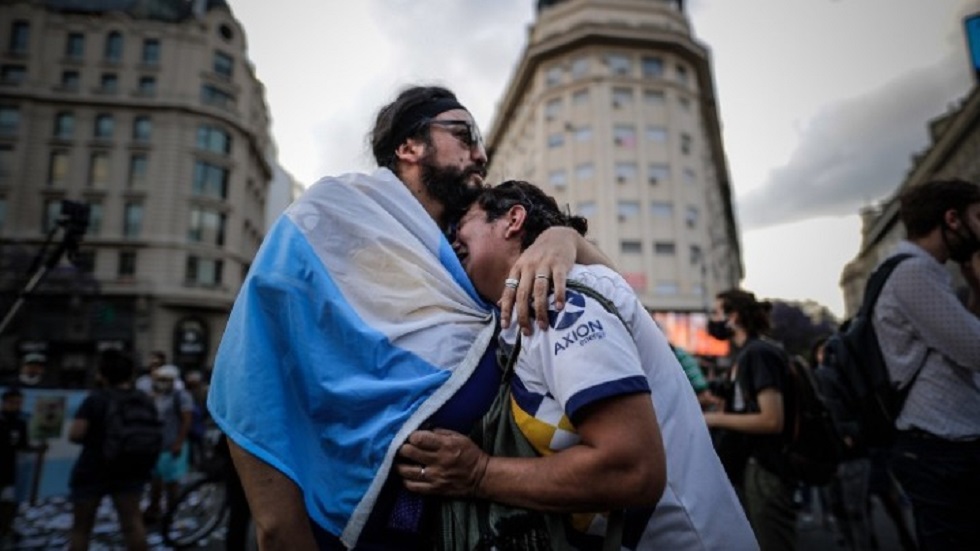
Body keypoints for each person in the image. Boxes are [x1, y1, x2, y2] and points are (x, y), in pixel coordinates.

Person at [208, 85, 608, 549]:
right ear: (409, 147)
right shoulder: (332, 219)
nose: (480, 155)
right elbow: (257, 355)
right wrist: (280, 527)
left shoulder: (463, 256)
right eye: (465, 135)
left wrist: (564, 239)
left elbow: (619, 304)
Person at [396, 180, 756, 549]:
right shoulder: (528, 307)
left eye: (461, 224)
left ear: (512, 220)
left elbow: (633, 471)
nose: (451, 240)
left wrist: (478, 474)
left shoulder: (556, 301)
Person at [874, 178, 980, 549]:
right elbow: (976, 351)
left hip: (943, 446)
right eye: (978, 217)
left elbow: (955, 345)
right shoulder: (913, 274)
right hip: (941, 450)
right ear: (952, 219)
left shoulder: (922, 272)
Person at [702, 289, 797, 551]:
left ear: (734, 317)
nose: (713, 320)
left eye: (717, 313)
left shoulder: (758, 353)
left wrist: (716, 419)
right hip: (754, 467)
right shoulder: (746, 355)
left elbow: (770, 420)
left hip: (766, 469)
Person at [67, 350, 150, 551]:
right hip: (131, 468)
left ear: (101, 375)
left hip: (93, 468)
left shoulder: (95, 399)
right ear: (131, 374)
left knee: (81, 528)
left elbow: (76, 434)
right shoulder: (143, 398)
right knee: (132, 524)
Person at [142, 364, 194, 523]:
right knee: (155, 481)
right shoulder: (157, 395)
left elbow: (187, 421)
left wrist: (179, 442)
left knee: (171, 483)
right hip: (157, 445)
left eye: (164, 379)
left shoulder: (181, 396)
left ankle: (171, 512)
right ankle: (154, 508)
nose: (160, 382)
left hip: (172, 446)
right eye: (158, 379)